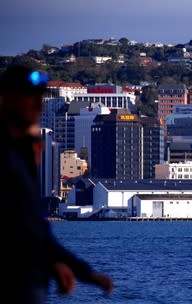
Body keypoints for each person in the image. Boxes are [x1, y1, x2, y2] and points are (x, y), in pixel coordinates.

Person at [0, 64, 113, 303]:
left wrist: (68, 267)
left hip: (30, 282)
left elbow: (32, 227)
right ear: (8, 99)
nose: (39, 106)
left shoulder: (22, 153)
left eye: (40, 98)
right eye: (31, 98)